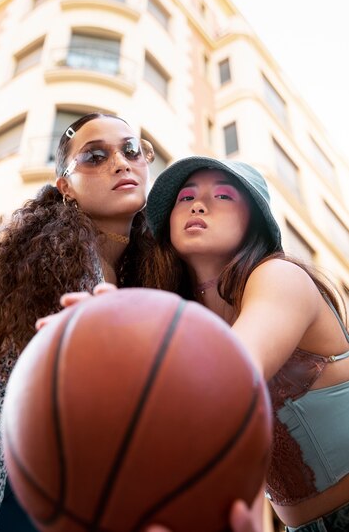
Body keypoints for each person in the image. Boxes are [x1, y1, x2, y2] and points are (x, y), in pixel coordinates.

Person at [0, 111, 155, 531]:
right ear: (65, 187)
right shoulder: (47, 267)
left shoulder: (149, 278)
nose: (121, 163)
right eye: (94, 156)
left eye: (131, 150)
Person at [141, 155, 349, 532]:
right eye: (185, 198)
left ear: (254, 221)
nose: (198, 204)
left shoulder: (280, 277)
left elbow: (228, 379)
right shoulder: (186, 324)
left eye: (223, 196)